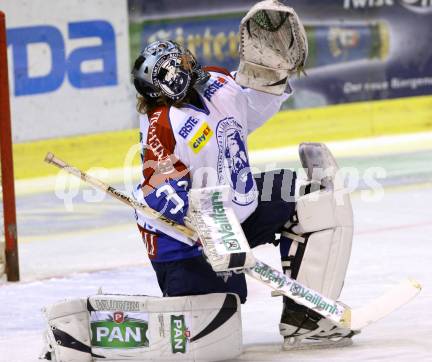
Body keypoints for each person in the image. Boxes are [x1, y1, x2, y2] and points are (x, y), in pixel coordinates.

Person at [131, 40, 354, 349]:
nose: (189, 62)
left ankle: (306, 318)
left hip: (235, 209)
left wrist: (272, 78)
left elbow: (249, 109)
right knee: (212, 342)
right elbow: (158, 188)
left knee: (316, 205)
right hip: (188, 244)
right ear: (171, 79)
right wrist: (189, 212)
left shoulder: (217, 82)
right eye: (179, 63)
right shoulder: (163, 126)